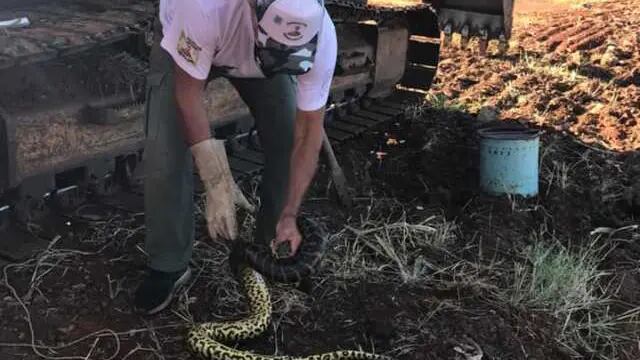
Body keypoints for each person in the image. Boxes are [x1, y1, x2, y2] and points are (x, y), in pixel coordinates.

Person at [134, 0, 337, 315]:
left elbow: (308, 134)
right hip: (194, 38)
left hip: (262, 52)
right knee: (165, 150)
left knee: (285, 138)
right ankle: (169, 264)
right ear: (254, 13)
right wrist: (217, 181)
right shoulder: (201, 8)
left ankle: (270, 248)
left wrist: (290, 214)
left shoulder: (322, 36)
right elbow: (187, 95)